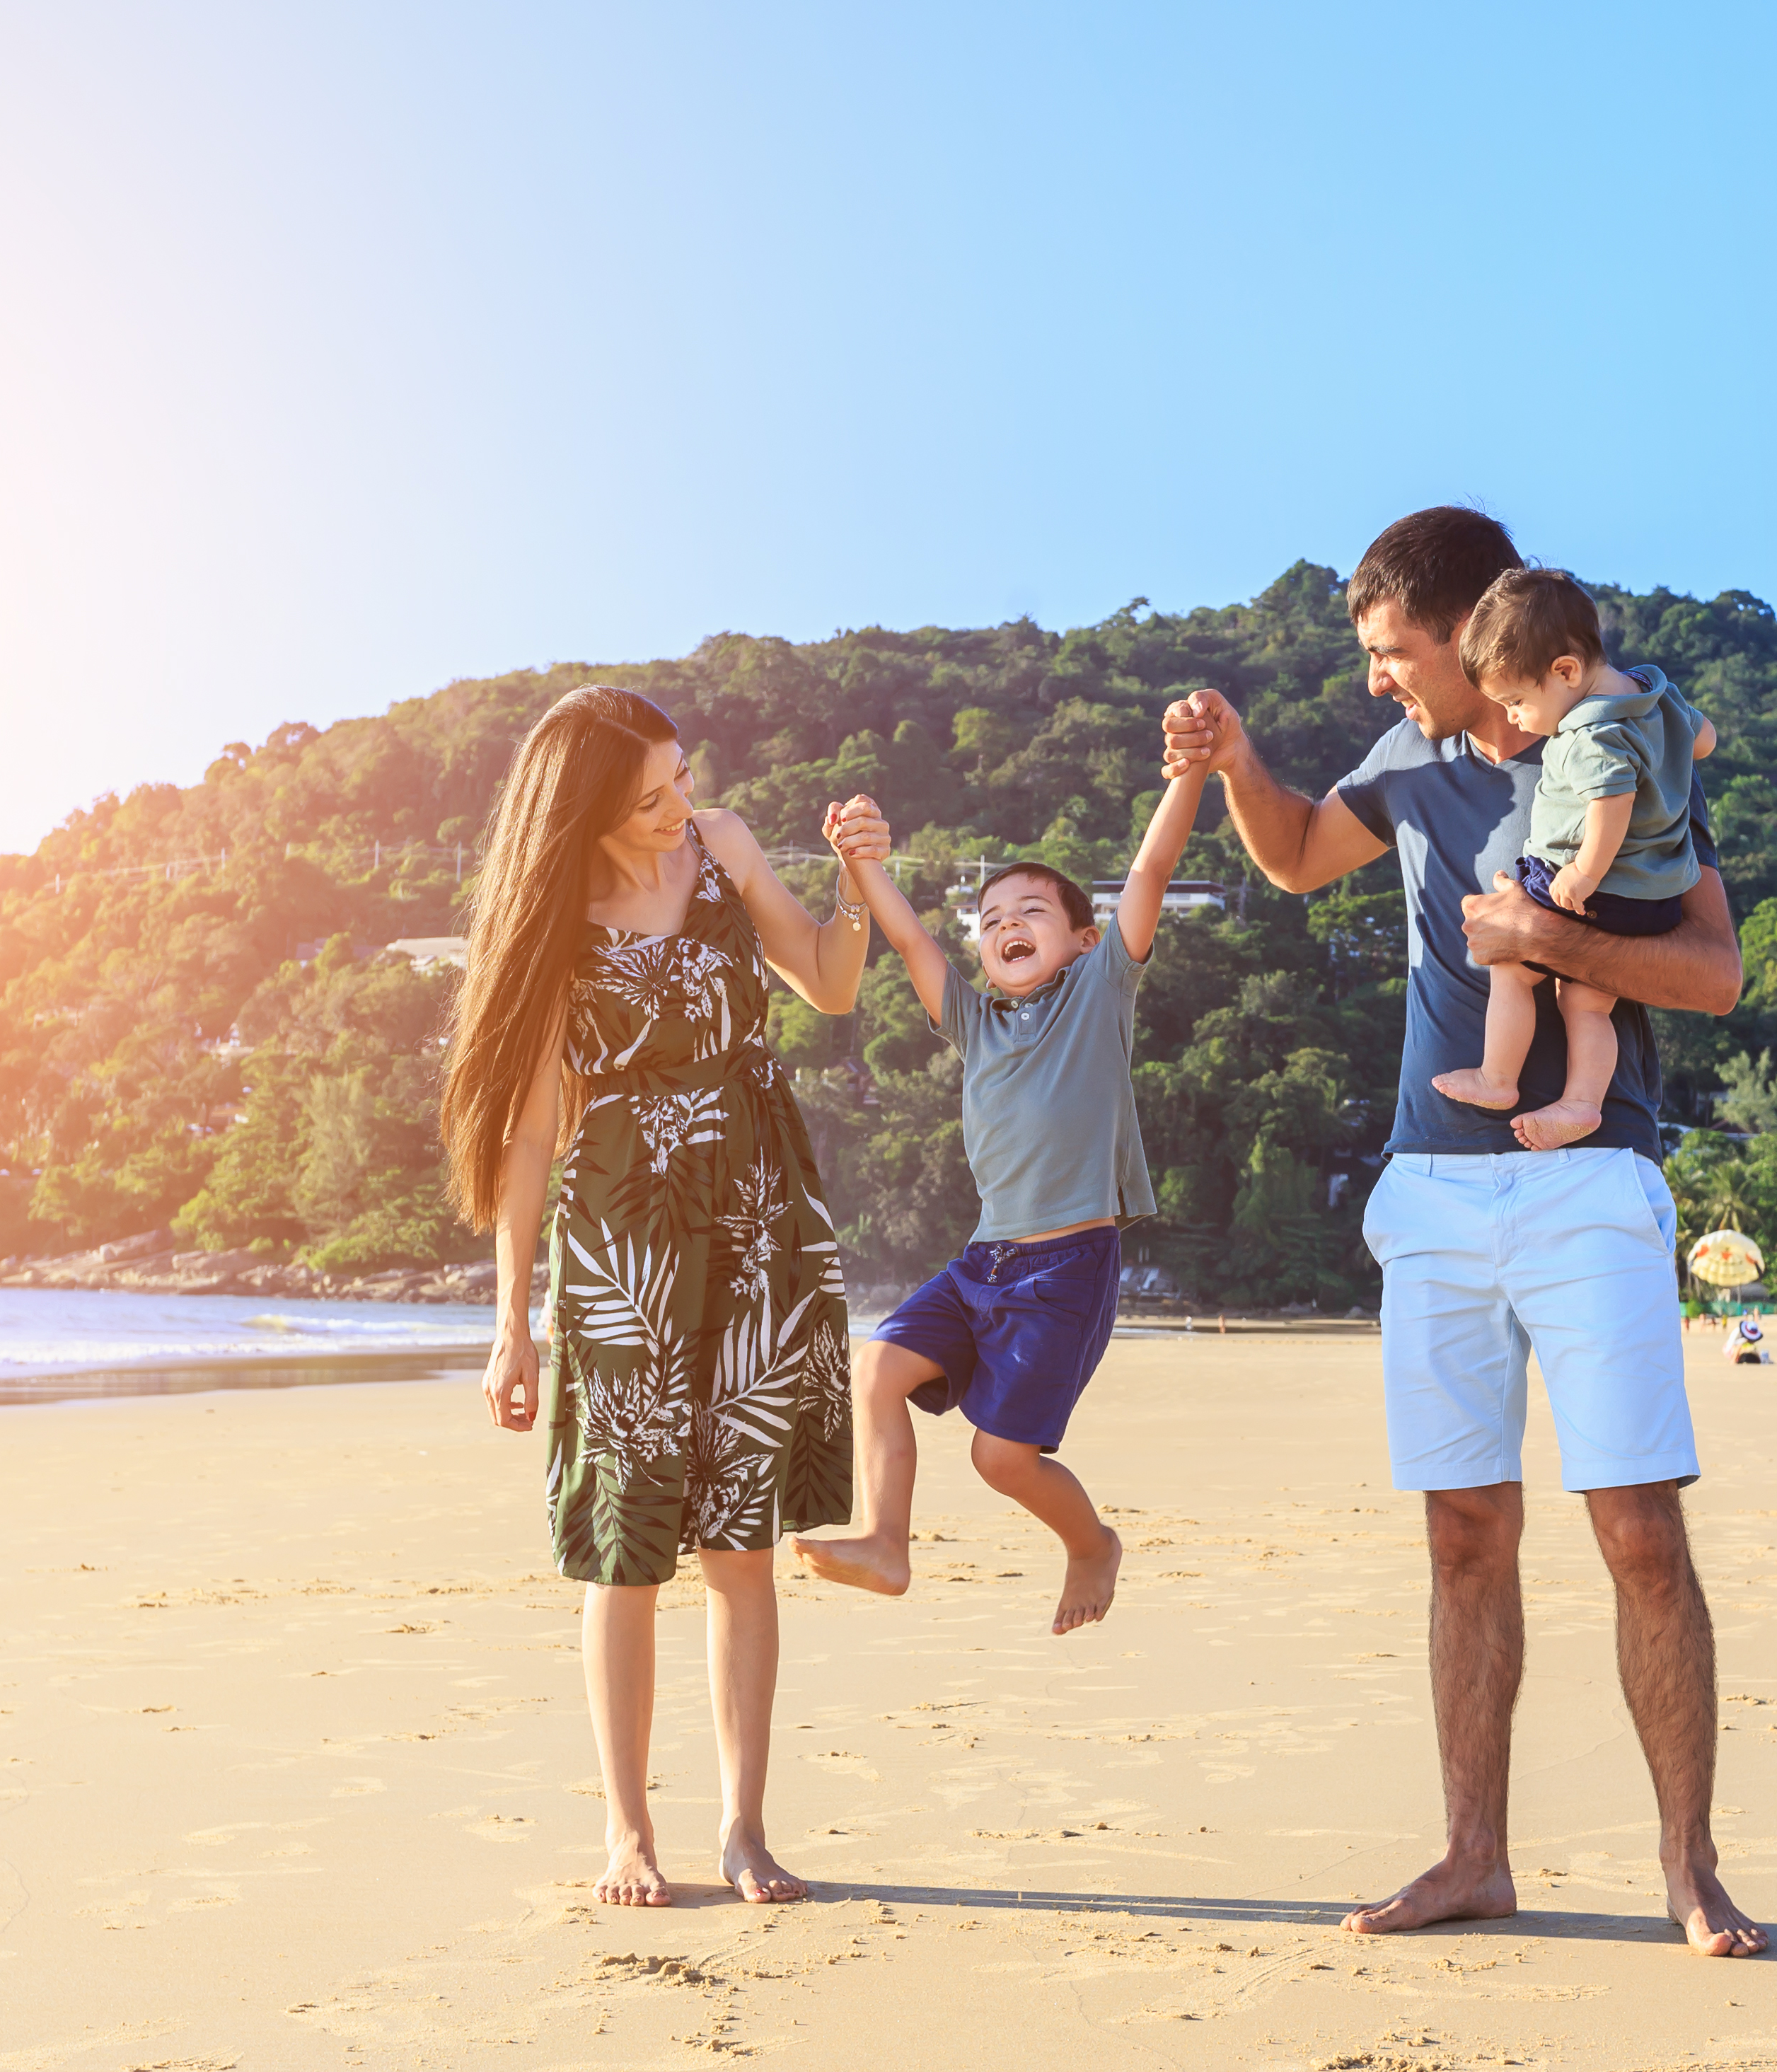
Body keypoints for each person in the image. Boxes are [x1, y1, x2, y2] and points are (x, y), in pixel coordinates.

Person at [1159, 507, 1767, 1957]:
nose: (1379, 679)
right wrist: (1242, 765)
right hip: (1432, 1188)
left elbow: (1716, 972)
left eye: (1393, 654)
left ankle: (1689, 1868)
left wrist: (1554, 944)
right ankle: (1472, 1857)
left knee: (1635, 1528)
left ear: (1475, 635)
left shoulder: (1616, 744)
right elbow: (1302, 859)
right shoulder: (1405, 762)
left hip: (1588, 1180)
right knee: (1462, 1536)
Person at [441, 684, 888, 1911]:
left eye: (679, 779)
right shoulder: (552, 924)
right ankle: (628, 1832)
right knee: (625, 1547)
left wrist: (854, 882)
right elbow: (530, 1135)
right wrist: (510, 1319)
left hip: (755, 1220)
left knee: (741, 1540)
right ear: (582, 808)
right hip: (622, 1247)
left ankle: (745, 1828)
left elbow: (829, 984)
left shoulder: (723, 845)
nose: (674, 808)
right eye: (646, 797)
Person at [794, 762, 1206, 1636]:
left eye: (1030, 913)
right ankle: (884, 1541)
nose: (1005, 925)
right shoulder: (974, 1023)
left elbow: (1150, 872)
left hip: (1067, 1269)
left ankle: (1091, 1542)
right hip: (984, 1260)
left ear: (1084, 940)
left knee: (1001, 1458)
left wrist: (1190, 771)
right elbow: (908, 940)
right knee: (874, 1367)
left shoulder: (1101, 993)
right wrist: (860, 857)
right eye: (989, 921)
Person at [1437, 567, 1719, 1150]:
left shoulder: (1588, 733)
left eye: (1515, 700)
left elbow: (1609, 802)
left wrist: (1582, 873)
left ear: (1564, 671)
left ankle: (1497, 1078)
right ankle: (1582, 1102)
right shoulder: (1654, 694)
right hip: (1652, 896)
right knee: (1586, 1002)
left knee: (1512, 967)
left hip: (1597, 885)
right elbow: (1704, 740)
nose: (1513, 716)